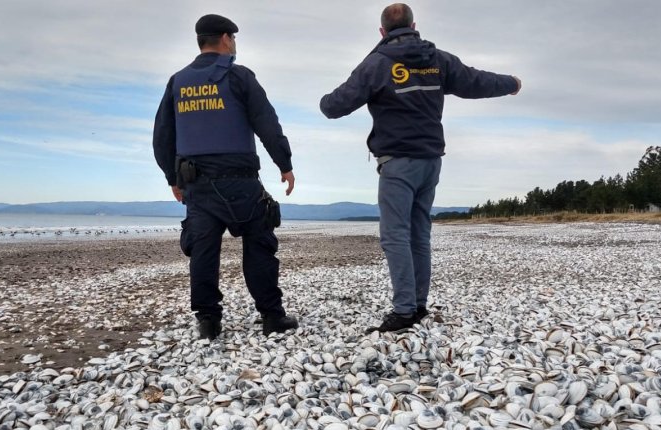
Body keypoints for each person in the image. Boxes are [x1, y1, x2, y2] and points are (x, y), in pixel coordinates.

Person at [320, 3, 521, 333]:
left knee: (395, 235)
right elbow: (476, 81)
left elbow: (334, 106)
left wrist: (324, 100)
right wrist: (510, 82)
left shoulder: (377, 63)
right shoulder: (437, 59)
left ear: (382, 32)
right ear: (415, 25)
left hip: (398, 161)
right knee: (418, 233)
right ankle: (417, 305)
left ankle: (404, 310)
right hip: (430, 160)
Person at [153, 14, 298, 339]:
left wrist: (171, 178)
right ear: (225, 39)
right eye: (233, 39)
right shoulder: (239, 77)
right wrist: (284, 164)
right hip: (241, 183)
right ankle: (272, 317)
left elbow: (163, 134)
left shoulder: (178, 82)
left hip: (197, 185)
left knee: (203, 250)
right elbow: (267, 123)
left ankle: (208, 322)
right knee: (259, 241)